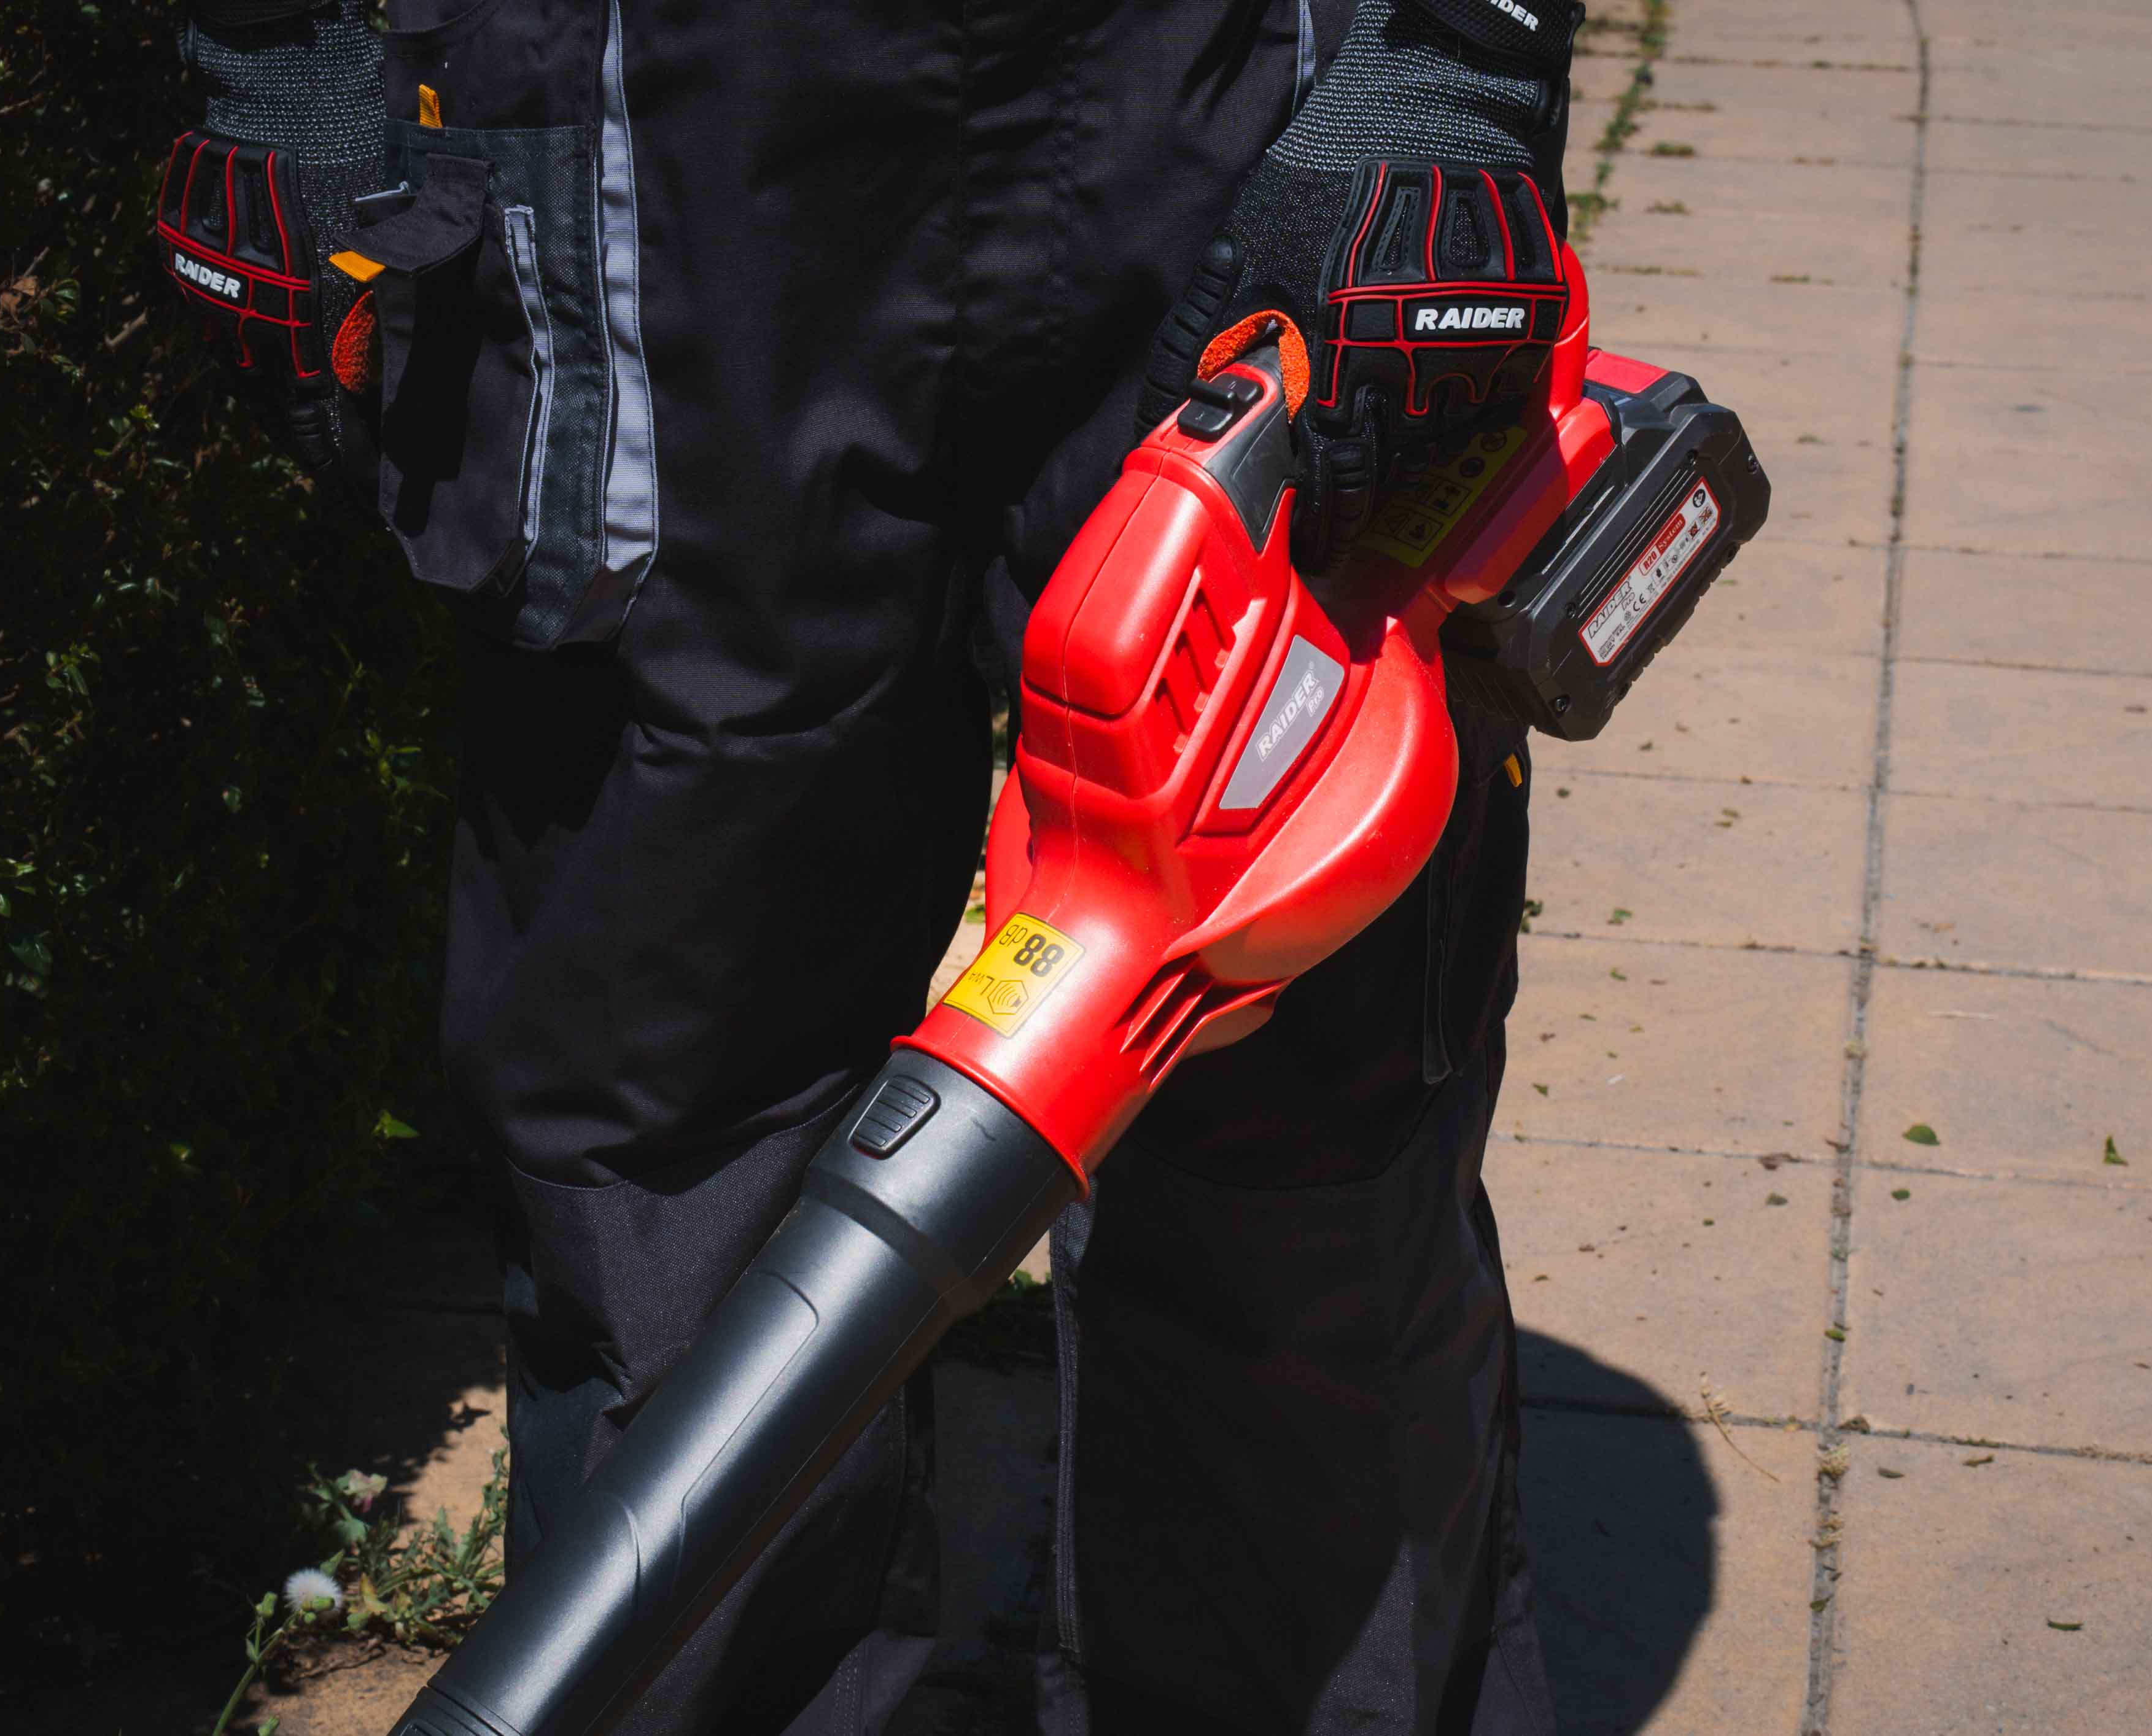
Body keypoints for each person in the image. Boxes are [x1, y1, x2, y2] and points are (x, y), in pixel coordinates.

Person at [157, 1, 1582, 1728]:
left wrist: (1452, 66)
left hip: (1238, 94)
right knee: (667, 1116)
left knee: (1291, 1097)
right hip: (662, 155)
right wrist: (279, 48)